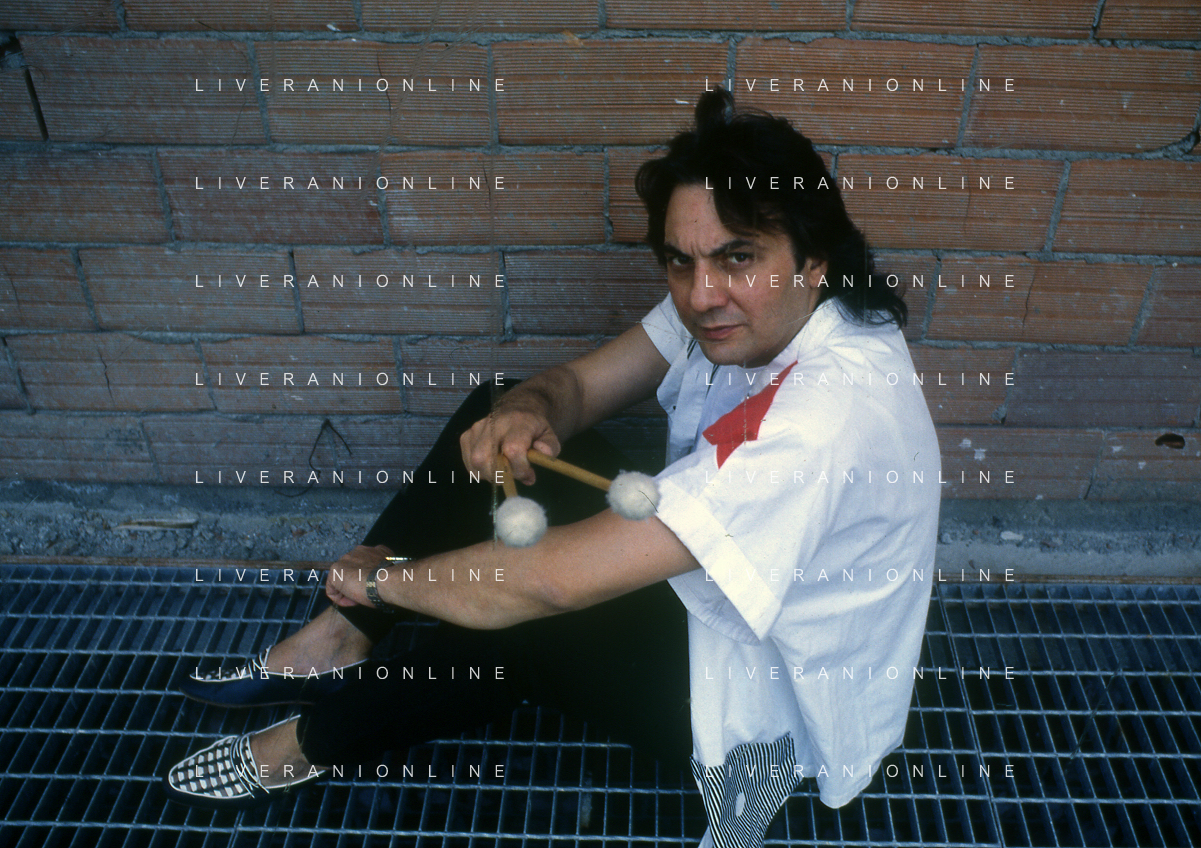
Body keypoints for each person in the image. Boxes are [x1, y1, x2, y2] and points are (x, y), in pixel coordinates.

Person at [165, 87, 941, 848]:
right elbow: (581, 386)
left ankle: (309, 742)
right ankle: (334, 641)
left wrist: (384, 580)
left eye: (738, 257)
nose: (703, 294)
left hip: (765, 712)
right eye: (680, 261)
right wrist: (529, 410)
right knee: (497, 411)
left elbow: (551, 582)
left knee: (529, 621)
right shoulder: (748, 306)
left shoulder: (818, 419)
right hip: (729, 610)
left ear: (813, 259)